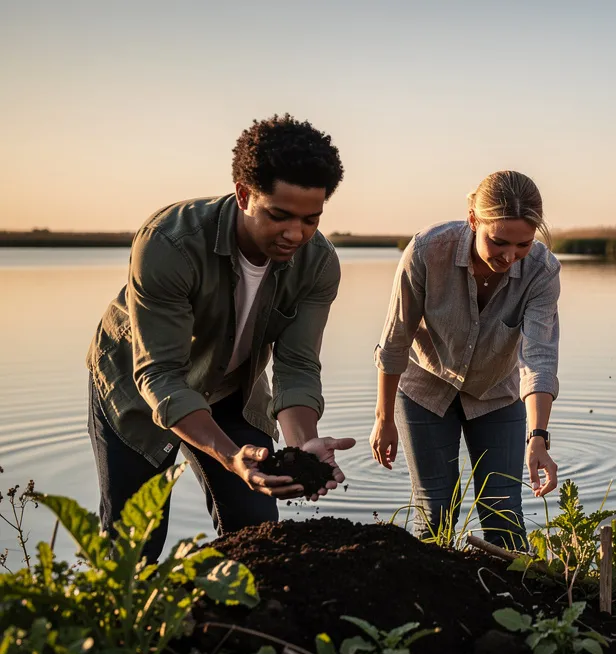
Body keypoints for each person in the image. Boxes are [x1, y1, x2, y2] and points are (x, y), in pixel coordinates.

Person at [86, 114, 356, 561]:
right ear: (244, 193)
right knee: (133, 547)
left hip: (233, 389)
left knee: (258, 534)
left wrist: (303, 441)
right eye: (279, 215)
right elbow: (161, 375)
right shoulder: (168, 244)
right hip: (137, 389)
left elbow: (297, 366)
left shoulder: (319, 263)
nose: (296, 234)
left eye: (311, 219)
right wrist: (230, 456)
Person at [371, 170, 561, 550]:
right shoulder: (427, 251)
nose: (510, 256)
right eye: (499, 241)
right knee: (436, 512)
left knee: (503, 513)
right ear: (474, 220)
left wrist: (538, 436)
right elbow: (395, 340)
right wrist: (384, 418)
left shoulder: (541, 270)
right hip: (425, 389)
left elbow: (538, 356)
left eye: (523, 244)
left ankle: (511, 604)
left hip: (496, 393)